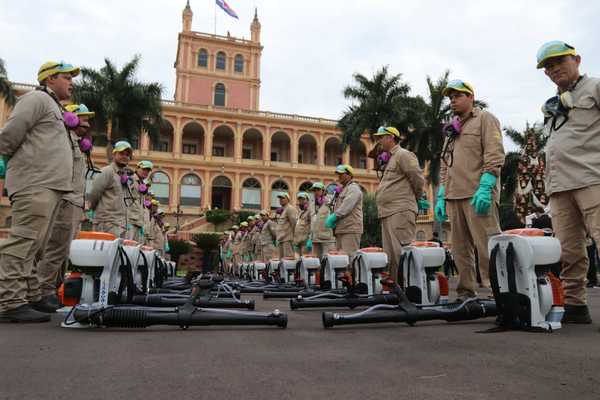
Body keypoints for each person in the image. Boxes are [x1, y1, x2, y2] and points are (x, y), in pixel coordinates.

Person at [0, 60, 80, 322]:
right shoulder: (36, 99)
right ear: (49, 79)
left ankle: (30, 295)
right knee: (23, 240)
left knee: (37, 245)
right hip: (35, 182)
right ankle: (8, 301)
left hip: (51, 185)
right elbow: (11, 133)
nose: (71, 82)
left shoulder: (55, 108)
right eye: (66, 77)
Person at [536, 40, 600, 323]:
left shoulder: (595, 87)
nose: (553, 69)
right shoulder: (552, 105)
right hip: (559, 186)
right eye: (548, 66)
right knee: (569, 250)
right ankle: (575, 304)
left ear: (577, 60)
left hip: (592, 177)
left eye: (560, 61)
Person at [435, 79, 504, 300]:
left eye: (458, 95)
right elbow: (446, 164)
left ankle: (500, 291)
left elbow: (494, 154)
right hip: (454, 196)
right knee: (460, 250)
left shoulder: (485, 119)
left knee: (487, 247)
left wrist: (486, 186)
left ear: (471, 97)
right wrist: (441, 194)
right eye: (450, 97)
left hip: (477, 194)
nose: (453, 100)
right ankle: (466, 292)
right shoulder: (451, 129)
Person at [36, 103, 94, 311]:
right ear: (70, 119)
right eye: (82, 118)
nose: (87, 124)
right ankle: (43, 291)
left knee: (63, 251)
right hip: (64, 201)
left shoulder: (77, 144)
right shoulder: (62, 141)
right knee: (54, 249)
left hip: (75, 204)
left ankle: (54, 289)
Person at [373, 126, 427, 283]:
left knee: (401, 252)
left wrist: (414, 198)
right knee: (391, 255)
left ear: (391, 137)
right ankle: (397, 289)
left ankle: (409, 288)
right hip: (388, 211)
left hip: (400, 210)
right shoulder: (390, 159)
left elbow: (417, 178)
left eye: (381, 137)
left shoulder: (403, 154)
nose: (379, 141)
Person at [88, 140, 134, 238]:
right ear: (114, 154)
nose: (125, 156)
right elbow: (95, 193)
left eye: (127, 155)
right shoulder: (106, 171)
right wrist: (92, 210)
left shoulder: (124, 176)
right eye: (121, 153)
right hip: (107, 223)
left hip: (121, 224)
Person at [326, 164, 363, 260]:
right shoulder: (344, 189)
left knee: (349, 259)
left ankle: (352, 275)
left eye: (341, 174)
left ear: (349, 175)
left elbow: (346, 206)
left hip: (350, 229)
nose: (339, 177)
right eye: (338, 174)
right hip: (342, 229)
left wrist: (334, 216)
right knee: (341, 260)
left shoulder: (353, 188)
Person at [307, 182, 335, 259]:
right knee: (315, 261)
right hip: (315, 238)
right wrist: (310, 237)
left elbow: (336, 211)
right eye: (314, 190)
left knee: (326, 260)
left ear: (323, 191)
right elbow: (311, 221)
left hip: (326, 237)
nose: (316, 192)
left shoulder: (329, 202)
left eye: (318, 190)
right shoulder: (312, 204)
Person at [127, 160, 153, 242]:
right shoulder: (131, 179)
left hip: (138, 221)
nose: (146, 172)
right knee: (128, 246)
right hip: (130, 220)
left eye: (148, 170)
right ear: (137, 168)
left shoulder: (141, 183)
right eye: (144, 169)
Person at [275, 192, 298, 259]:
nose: (280, 200)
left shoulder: (290, 208)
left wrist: (294, 237)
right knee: (282, 261)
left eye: (283, 198)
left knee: (288, 260)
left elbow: (294, 223)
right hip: (281, 239)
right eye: (280, 198)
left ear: (288, 199)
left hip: (287, 239)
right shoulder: (283, 210)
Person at [294, 192, 312, 256]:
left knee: (305, 263)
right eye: (299, 200)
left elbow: (313, 225)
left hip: (305, 243)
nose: (301, 201)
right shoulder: (300, 212)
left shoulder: (310, 211)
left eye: (303, 199)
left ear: (307, 200)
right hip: (298, 243)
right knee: (298, 263)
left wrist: (310, 239)